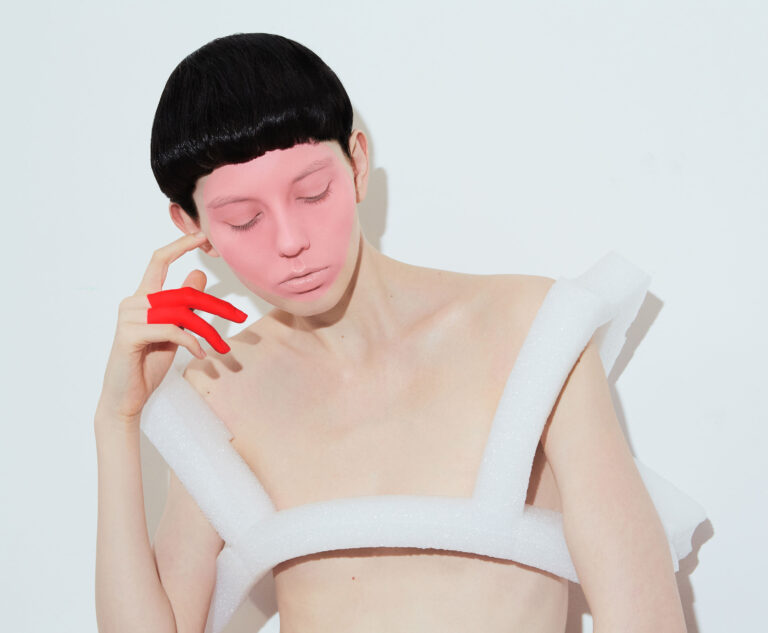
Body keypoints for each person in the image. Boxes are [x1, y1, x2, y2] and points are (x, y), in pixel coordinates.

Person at [94, 33, 697, 633]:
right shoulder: (220, 389)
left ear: (357, 164)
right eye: (244, 219)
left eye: (312, 193)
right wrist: (116, 421)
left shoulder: (531, 332)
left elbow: (644, 618)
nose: (290, 241)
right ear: (192, 225)